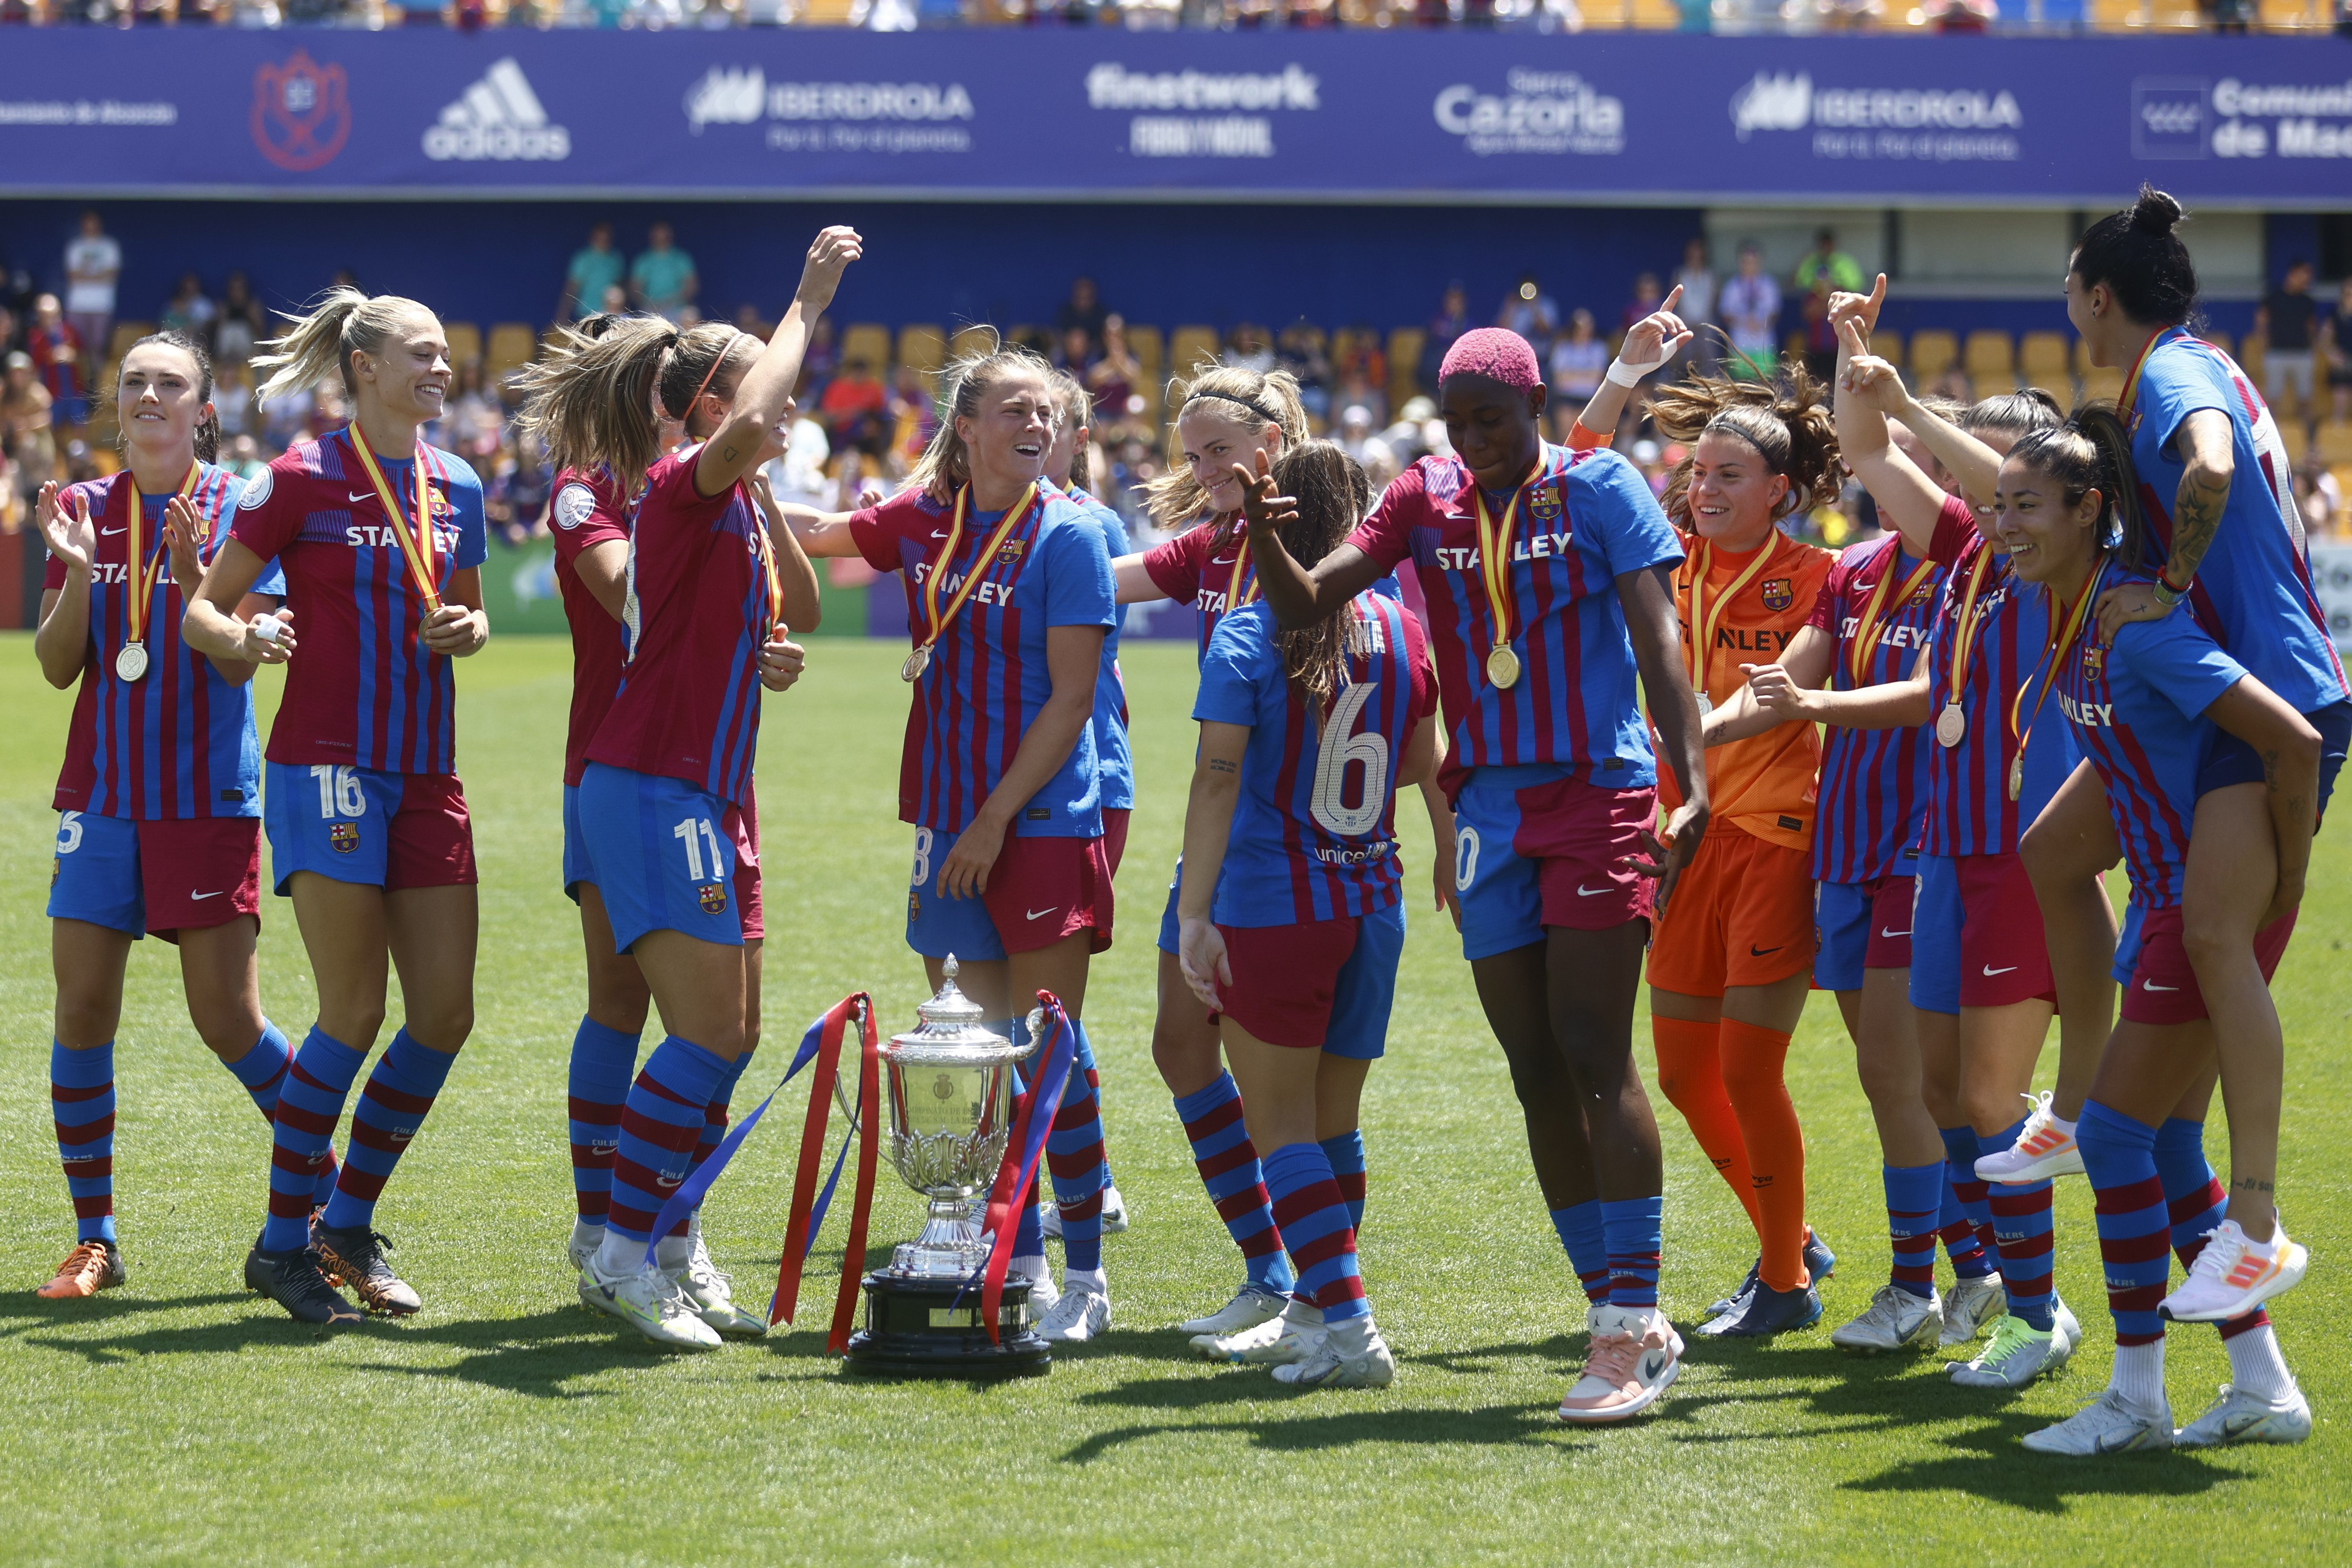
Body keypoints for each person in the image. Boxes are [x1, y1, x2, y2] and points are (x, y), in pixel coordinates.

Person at [1248, 328, 1709, 1424]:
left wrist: (1685, 782)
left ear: (1534, 405)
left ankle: (1625, 1326)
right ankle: (1617, 1312)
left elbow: (1658, 639)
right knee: (1533, 1069)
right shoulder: (1423, 495)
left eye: (1488, 421)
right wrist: (1263, 539)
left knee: (1595, 1047)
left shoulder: (1599, 487)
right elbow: (1309, 598)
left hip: (1598, 793)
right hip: (1490, 810)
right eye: (1454, 423)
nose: (1470, 442)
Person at [514, 229, 857, 1348]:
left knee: (735, 1029)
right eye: (757, 379)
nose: (783, 398)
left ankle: (665, 1240)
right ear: (713, 398)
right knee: (700, 1033)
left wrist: (759, 498)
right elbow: (757, 420)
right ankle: (617, 1250)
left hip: (710, 793)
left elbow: (800, 609)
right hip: (654, 784)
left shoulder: (731, 494)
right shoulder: (676, 480)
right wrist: (806, 300)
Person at [2021, 190, 2350, 1305]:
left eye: (2068, 288)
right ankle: (2070, 1108)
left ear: (2094, 296)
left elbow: (2205, 468)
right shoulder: (2191, 362)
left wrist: (2165, 584)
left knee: (2214, 936)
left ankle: (2251, 1220)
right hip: (2225, 699)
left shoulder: (2168, 376)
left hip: (2266, 698)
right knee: (2054, 849)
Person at [1991, 412, 2319, 1455]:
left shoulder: (2133, 620)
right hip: (2166, 900)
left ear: (2091, 513)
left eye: (2024, 506)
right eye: (1996, 504)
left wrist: (2288, 876)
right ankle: (2261, 1387)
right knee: (2165, 1138)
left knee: (2122, 1137)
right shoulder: (2072, 606)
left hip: (2204, 908)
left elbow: (2293, 735)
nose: (2001, 524)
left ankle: (2135, 1399)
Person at [800, 338, 1121, 1345]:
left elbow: (1074, 698)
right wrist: (727, 466)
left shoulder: (1068, 535)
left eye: (1047, 413)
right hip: (948, 819)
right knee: (981, 1059)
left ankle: (1087, 1277)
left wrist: (991, 818)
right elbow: (819, 532)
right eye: (1014, 410)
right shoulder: (926, 519)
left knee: (1043, 1049)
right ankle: (1008, 1254)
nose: (1035, 426)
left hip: (1033, 822)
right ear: (968, 427)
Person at [183, 289, 492, 1327]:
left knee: (445, 1012)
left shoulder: (459, 481)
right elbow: (204, 609)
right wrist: (247, 640)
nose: (441, 369)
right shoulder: (298, 477)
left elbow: (473, 609)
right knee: (353, 1010)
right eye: (421, 352)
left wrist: (469, 630)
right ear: (364, 366)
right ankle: (282, 1245)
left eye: (445, 354)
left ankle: (346, 1220)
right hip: (325, 766)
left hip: (428, 772)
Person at [1816, 310, 2087, 1389]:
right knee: (1938, 1092)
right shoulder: (1965, 560)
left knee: (1983, 1100)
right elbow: (1866, 452)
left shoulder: (2060, 559)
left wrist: (1909, 402)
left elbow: (1918, 445)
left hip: (2021, 857)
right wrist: (1854, 368)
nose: (1971, 488)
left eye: (2006, 481)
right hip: (1942, 852)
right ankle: (1991, 1275)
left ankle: (2035, 1310)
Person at [28, 330, 306, 1300]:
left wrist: (192, 575)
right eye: (135, 381)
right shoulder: (82, 508)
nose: (150, 395)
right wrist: (67, 570)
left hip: (204, 795)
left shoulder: (240, 504)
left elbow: (236, 658)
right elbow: (61, 665)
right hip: (99, 795)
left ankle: (322, 1197)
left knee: (228, 1019)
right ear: (117, 404)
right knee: (81, 1010)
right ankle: (94, 1236)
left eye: (170, 383)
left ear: (204, 408)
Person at [1176, 441, 1439, 1391]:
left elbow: (1214, 780)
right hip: (1371, 898)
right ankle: (1317, 1310)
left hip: (1275, 902)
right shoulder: (1402, 625)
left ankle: (1353, 1326)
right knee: (1333, 1123)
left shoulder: (1253, 632)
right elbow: (1420, 760)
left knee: (1279, 1125)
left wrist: (1194, 911)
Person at [1102, 363, 1327, 1345]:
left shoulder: (1329, 545)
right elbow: (1099, 578)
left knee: (1272, 1072)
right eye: (1190, 454)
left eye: (1217, 452)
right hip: (1219, 837)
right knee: (1180, 1041)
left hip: (1290, 842)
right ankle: (1268, 1267)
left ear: (1269, 446)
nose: (1200, 470)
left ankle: (1311, 1285)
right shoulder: (1214, 545)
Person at [1629, 363, 1842, 1337]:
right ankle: (1785, 1233)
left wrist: (1680, 739)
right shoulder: (1658, 561)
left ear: (1777, 492)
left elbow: (1775, 693)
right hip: (1682, 842)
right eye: (1695, 470)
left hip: (1769, 839)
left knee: (1749, 1071)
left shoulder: (1817, 579)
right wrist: (1629, 372)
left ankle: (1784, 1280)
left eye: (1726, 474)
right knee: (1680, 1071)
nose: (1701, 488)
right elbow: (1580, 465)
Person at [2254, 258, 2320, 431]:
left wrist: (2311, 348)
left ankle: (2306, 436)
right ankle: (2269, 433)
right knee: (2272, 398)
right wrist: (2265, 345)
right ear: (2293, 274)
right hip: (2276, 354)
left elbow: (2311, 327)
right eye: (2304, 274)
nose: (2307, 279)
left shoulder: (2308, 301)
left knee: (2305, 398)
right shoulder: (2273, 297)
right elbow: (2262, 320)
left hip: (2302, 354)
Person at [62, 212, 120, 375]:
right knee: (76, 348)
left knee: (98, 346)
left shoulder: (109, 246)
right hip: (77, 305)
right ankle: (79, 385)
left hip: (101, 306)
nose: (90, 227)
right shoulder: (75, 246)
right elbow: (73, 277)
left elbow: (110, 277)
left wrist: (85, 276)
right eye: (87, 223)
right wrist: (97, 276)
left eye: (93, 223)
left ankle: (97, 386)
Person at [1718, 245, 1781, 383]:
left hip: (1764, 344)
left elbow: (1776, 313)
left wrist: (1762, 323)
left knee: (1766, 383)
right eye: (1746, 262)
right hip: (1740, 344)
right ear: (1740, 263)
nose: (1750, 266)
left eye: (1753, 262)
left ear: (1760, 262)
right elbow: (1725, 315)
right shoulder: (1732, 287)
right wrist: (1743, 323)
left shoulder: (1769, 285)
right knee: (1741, 386)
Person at [1546, 310, 1609, 429]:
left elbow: (1598, 376)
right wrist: (1586, 374)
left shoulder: (1599, 348)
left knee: (1583, 434)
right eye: (1580, 327)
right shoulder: (1562, 348)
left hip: (1590, 398)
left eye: (1587, 326)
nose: (1583, 330)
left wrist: (1572, 374)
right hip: (1566, 397)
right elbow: (1559, 377)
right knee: (1565, 431)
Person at [629, 222, 699, 323]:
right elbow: (635, 288)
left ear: (670, 236)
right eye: (657, 236)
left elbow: (692, 286)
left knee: (691, 315)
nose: (661, 239)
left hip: (677, 309)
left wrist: (671, 303)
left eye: (664, 236)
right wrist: (652, 305)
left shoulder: (681, 258)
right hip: (650, 310)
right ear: (652, 237)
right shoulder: (644, 260)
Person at [560, 222, 628, 324]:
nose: (602, 242)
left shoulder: (615, 259)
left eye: (606, 239)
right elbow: (572, 288)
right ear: (593, 238)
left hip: (610, 314)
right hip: (586, 313)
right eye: (599, 238)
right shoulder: (583, 258)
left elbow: (620, 288)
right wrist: (563, 315)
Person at [1794, 228, 1864, 298]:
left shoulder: (1845, 262)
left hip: (1840, 299)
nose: (1826, 248)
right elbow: (1799, 284)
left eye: (1828, 244)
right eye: (1823, 245)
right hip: (1816, 300)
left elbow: (1856, 286)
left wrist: (1833, 287)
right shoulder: (1810, 261)